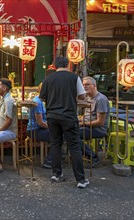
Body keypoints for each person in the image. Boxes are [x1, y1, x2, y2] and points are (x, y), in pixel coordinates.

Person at [39, 56, 89, 188]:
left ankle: (56, 174)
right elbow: (83, 96)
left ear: (54, 65)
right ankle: (80, 180)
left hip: (52, 116)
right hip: (68, 116)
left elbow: (42, 98)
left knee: (55, 144)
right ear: (68, 65)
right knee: (74, 146)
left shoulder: (48, 79)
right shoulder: (74, 77)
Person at [79, 76, 110, 168]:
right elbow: (88, 116)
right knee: (68, 129)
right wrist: (80, 118)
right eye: (83, 85)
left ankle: (93, 157)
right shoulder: (88, 98)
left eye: (87, 85)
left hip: (98, 129)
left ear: (94, 85)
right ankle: (81, 153)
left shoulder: (100, 99)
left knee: (72, 134)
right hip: (88, 126)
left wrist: (83, 123)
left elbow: (100, 122)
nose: (85, 87)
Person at [27, 83, 52, 168]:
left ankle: (56, 157)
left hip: (40, 129)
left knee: (60, 134)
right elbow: (40, 122)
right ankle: (49, 161)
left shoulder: (42, 101)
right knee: (58, 136)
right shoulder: (37, 102)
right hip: (34, 130)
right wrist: (53, 127)